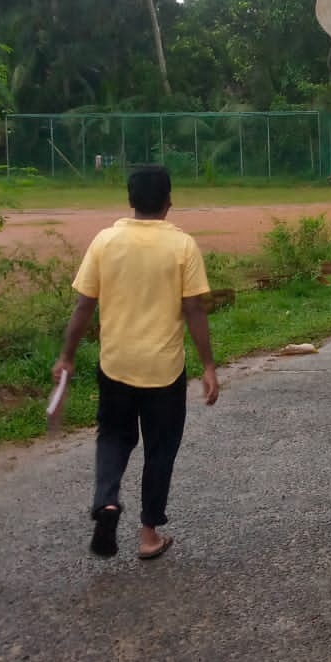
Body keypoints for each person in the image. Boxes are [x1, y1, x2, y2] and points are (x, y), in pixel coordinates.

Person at [53, 165, 219, 561]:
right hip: (164, 370)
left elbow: (83, 305)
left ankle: (107, 502)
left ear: (130, 201)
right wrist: (209, 365)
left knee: (112, 436)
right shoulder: (182, 246)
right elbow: (194, 308)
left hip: (116, 366)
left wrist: (67, 355)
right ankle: (148, 535)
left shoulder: (106, 241)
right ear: (168, 202)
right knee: (160, 449)